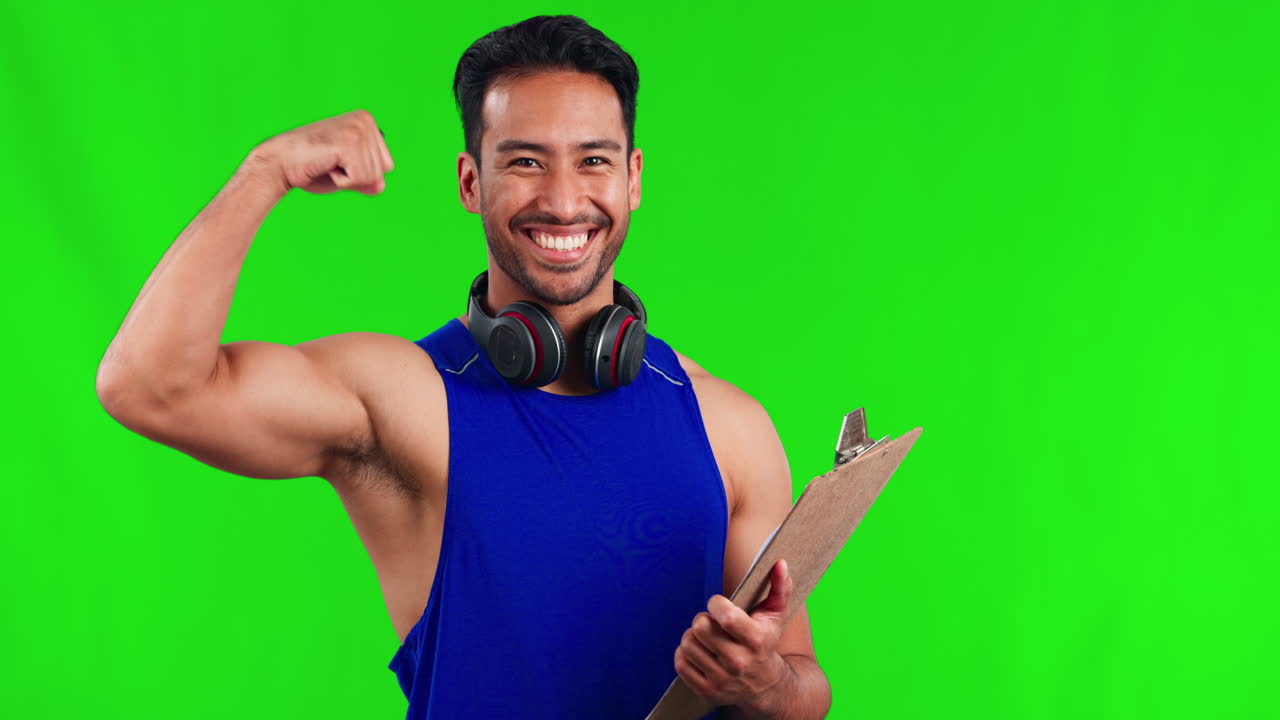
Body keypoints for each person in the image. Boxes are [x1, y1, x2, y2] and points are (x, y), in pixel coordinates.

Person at [95, 14, 831, 720]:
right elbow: (148, 386)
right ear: (471, 182)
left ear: (633, 178)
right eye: (525, 161)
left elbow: (804, 689)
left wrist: (763, 684)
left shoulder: (728, 425)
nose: (565, 199)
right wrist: (264, 173)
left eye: (595, 160)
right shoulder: (403, 397)